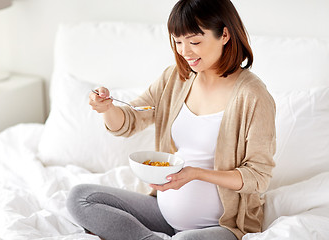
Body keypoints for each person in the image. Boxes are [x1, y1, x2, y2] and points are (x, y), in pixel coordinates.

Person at [66, 0, 276, 239]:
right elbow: (130, 120)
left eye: (194, 41)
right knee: (81, 198)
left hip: (221, 227)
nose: (184, 51)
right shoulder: (176, 79)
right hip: (163, 214)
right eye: (177, 41)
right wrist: (107, 108)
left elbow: (258, 177)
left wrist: (196, 173)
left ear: (225, 34)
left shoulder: (253, 95)